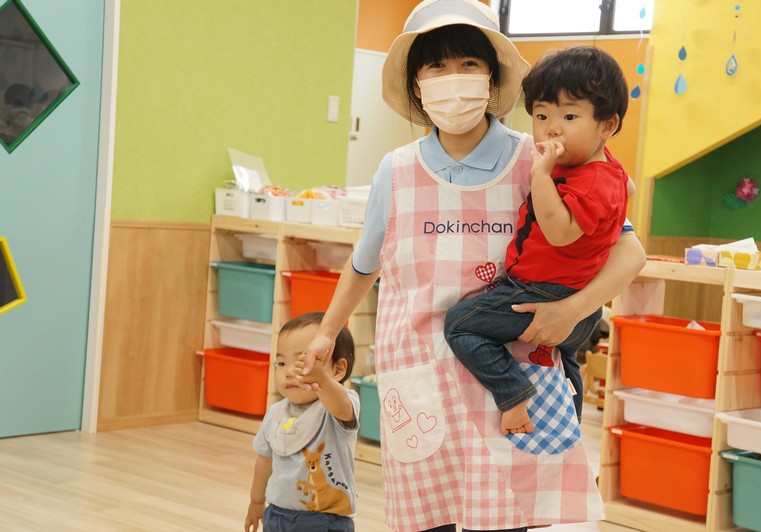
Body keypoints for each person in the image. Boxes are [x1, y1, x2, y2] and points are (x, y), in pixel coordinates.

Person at [302, 1, 647, 530]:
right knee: (429, 519)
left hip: (512, 375)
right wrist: (328, 331)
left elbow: (629, 250)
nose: (453, 79)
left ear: (491, 78)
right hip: (422, 377)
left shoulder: (541, 157)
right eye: (436, 67)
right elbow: (364, 263)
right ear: (417, 86)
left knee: (504, 518)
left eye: (468, 64)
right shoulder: (395, 170)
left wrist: (574, 310)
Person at [444, 45, 633, 435]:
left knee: (460, 325)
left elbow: (559, 232)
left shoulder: (584, 179)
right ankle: (568, 426)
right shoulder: (605, 169)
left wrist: (541, 176)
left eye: (569, 116)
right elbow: (628, 187)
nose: (552, 129)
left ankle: (513, 393)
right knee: (565, 362)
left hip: (542, 292)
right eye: (542, 116)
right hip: (579, 303)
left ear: (607, 125)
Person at [245, 312, 359, 532]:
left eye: (301, 363)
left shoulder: (337, 407)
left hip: (324, 520)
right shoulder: (275, 413)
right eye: (281, 363)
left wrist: (321, 379)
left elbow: (341, 406)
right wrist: (256, 501)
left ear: (337, 370)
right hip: (277, 514)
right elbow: (264, 460)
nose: (289, 372)